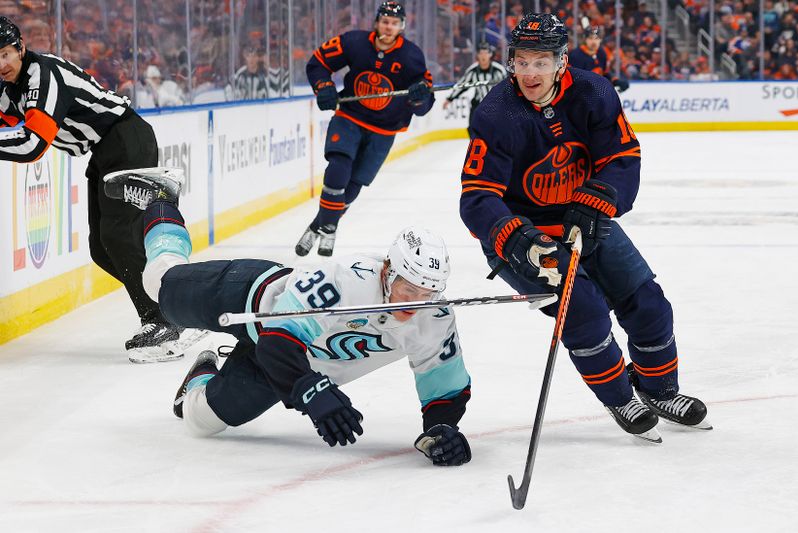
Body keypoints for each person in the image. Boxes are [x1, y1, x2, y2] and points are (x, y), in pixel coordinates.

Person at [103, 168, 472, 465]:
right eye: (410, 288)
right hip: (251, 298)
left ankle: (203, 369)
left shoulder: (435, 318)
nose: (416, 301)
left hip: (283, 366)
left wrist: (441, 430)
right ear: (388, 270)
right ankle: (162, 197)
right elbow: (278, 340)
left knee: (198, 420)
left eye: (429, 293)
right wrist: (313, 392)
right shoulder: (348, 281)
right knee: (158, 282)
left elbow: (444, 386)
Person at [458, 13, 710, 442]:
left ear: (561, 60)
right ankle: (620, 398)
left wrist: (597, 200)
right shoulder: (496, 113)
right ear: (511, 62)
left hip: (586, 220)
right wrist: (520, 238)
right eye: (521, 61)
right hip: (527, 237)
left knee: (648, 303)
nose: (530, 73)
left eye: (541, 61)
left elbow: (622, 157)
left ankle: (659, 390)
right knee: (586, 314)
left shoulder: (594, 92)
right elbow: (478, 196)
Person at [0, 16, 196, 363]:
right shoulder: (7, 88)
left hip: (125, 139)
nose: (1, 64)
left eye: (5, 54)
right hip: (105, 149)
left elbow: (33, 145)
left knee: (119, 235)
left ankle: (163, 321)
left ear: (21, 49)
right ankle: (184, 302)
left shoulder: (43, 74)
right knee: (102, 249)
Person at [295, 1, 435, 257]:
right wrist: (324, 86)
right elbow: (317, 62)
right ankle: (329, 226)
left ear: (401, 26)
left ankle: (321, 225)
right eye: (384, 21)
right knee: (339, 165)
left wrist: (419, 96)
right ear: (376, 22)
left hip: (384, 128)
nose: (388, 27)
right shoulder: (354, 42)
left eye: (394, 23)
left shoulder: (411, 56)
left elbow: (424, 105)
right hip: (350, 117)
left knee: (355, 184)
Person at [443, 41, 506, 134]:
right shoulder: (472, 70)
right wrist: (450, 98)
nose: (483, 56)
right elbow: (462, 85)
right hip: (478, 105)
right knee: (472, 129)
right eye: (481, 53)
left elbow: (508, 87)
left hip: (496, 106)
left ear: (490, 54)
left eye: (486, 53)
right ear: (477, 55)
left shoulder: (499, 70)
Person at [567, 24, 629, 92]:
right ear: (585, 39)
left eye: (596, 38)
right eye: (590, 38)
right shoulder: (576, 55)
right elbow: (572, 80)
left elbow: (604, 73)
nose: (593, 42)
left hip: (595, 92)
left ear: (600, 40)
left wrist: (615, 81)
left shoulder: (601, 53)